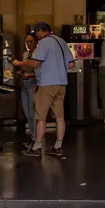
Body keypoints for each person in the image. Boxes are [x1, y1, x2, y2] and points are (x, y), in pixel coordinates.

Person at [13, 21, 74, 158]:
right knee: (59, 117)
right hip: (61, 84)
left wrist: (20, 63)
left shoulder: (44, 43)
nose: (37, 37)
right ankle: (58, 146)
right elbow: (70, 64)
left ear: (42, 31)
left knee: (41, 117)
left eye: (37, 33)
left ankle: (37, 146)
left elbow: (35, 62)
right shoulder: (61, 41)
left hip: (46, 84)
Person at [20, 32, 38, 150]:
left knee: (32, 113)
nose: (29, 44)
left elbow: (39, 72)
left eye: (31, 41)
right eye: (27, 41)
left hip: (33, 84)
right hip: (24, 84)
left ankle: (36, 138)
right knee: (27, 113)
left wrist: (29, 74)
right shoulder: (26, 54)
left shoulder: (38, 54)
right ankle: (32, 137)